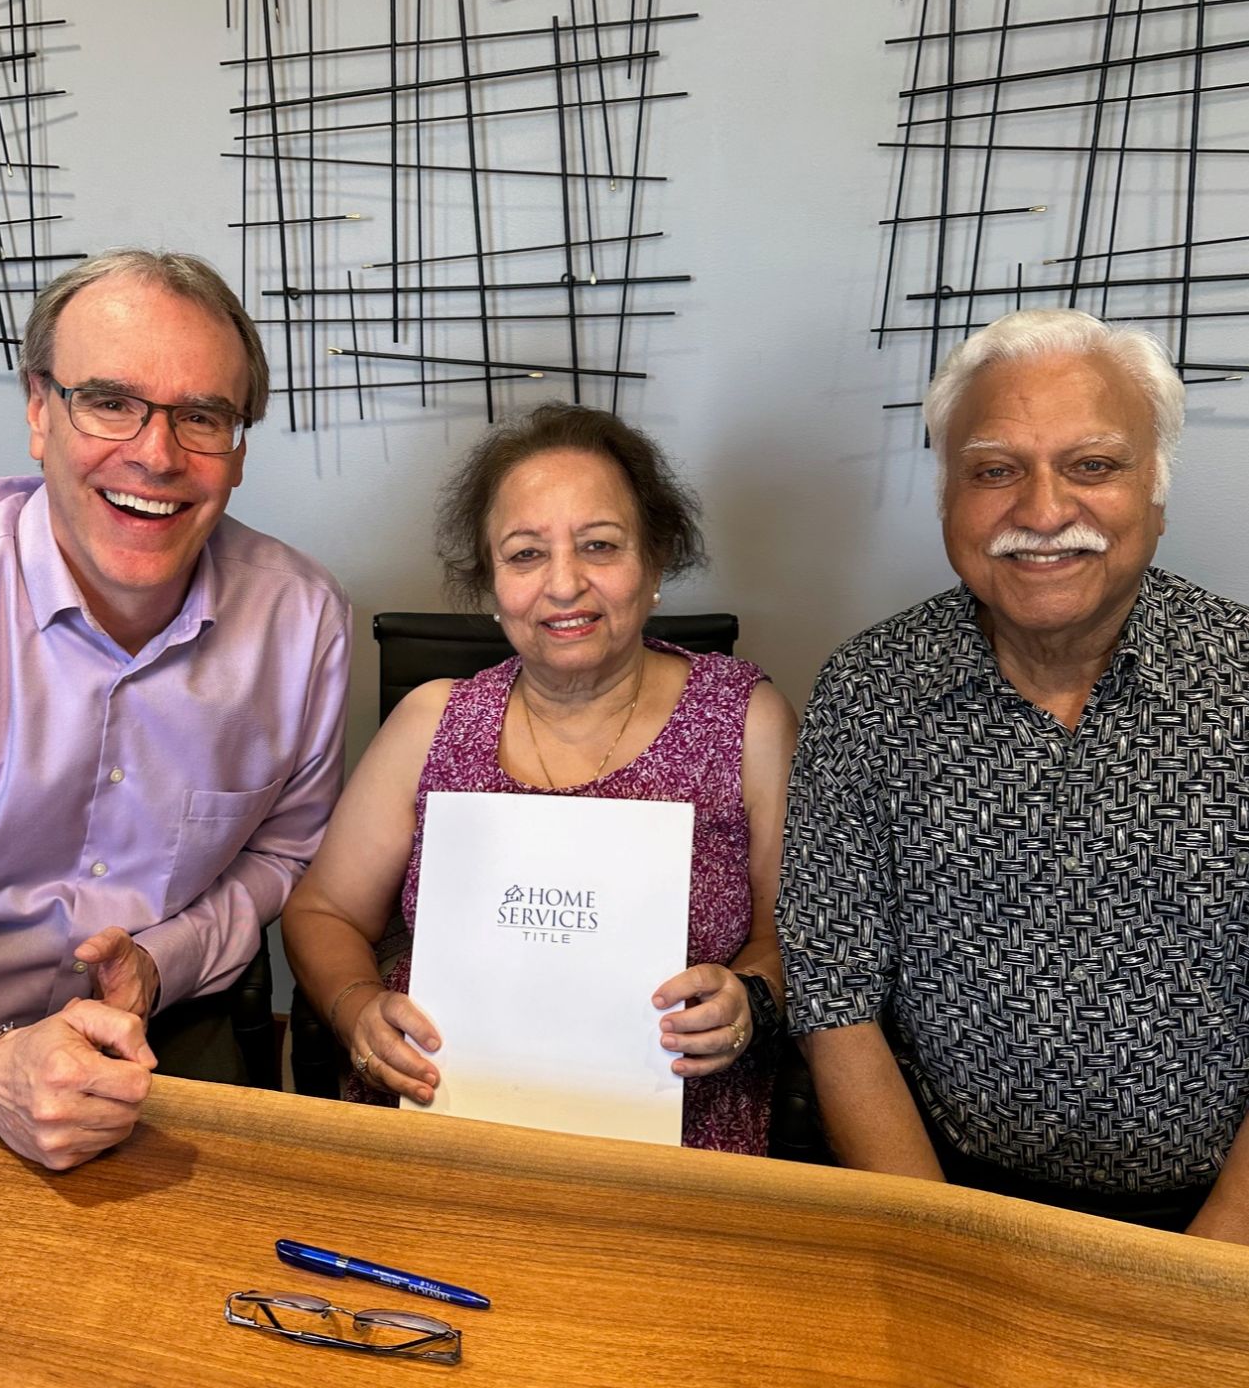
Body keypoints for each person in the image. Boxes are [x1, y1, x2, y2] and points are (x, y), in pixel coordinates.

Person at [0, 249, 350, 1170]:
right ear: (39, 411)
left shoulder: (303, 620)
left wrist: (167, 958)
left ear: (238, 451)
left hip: (161, 1040)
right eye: (111, 402)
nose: (156, 455)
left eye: (201, 416)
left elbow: (283, 853)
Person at [782, 307, 1249, 1241]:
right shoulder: (867, 693)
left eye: (1092, 466)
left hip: (1212, 1221)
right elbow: (833, 1000)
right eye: (994, 470)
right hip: (939, 1194)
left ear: (1154, 495)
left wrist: (1208, 1269)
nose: (1040, 512)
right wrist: (941, 1251)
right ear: (947, 496)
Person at [283, 402, 796, 1153]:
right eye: (525, 554)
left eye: (599, 545)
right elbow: (322, 911)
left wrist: (749, 999)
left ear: (655, 562)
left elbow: (796, 937)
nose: (563, 584)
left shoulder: (746, 719)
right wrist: (355, 1006)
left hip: (674, 1138)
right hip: (441, 1117)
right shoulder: (432, 722)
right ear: (491, 585)